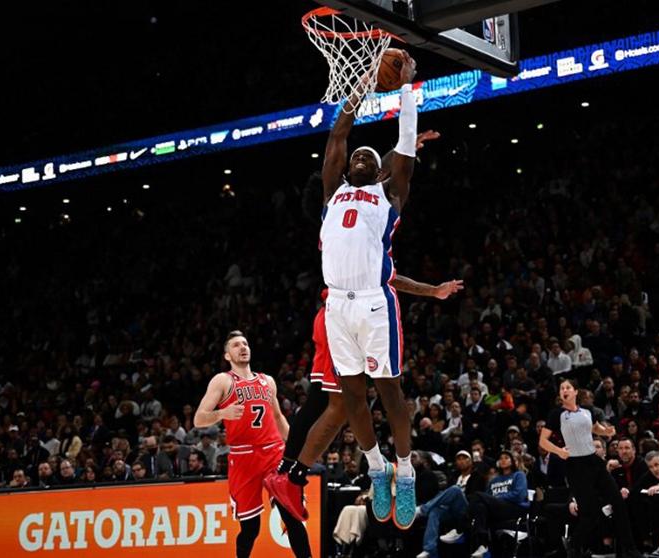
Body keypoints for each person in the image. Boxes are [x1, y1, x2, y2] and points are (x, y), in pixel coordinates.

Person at [316, 48, 419, 530]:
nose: (358, 156)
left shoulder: (388, 194)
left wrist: (405, 89)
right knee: (353, 397)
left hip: (376, 305)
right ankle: (376, 467)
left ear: (379, 170)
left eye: (368, 156)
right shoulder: (332, 192)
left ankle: (406, 468)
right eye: (356, 155)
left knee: (390, 393)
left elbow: (406, 145)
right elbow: (338, 135)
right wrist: (356, 89)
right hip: (336, 305)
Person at [266, 271, 462, 522]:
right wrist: (432, 290)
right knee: (337, 405)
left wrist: (433, 290)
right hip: (338, 316)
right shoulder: (338, 240)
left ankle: (399, 472)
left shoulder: (369, 243)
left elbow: (387, 273)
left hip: (367, 312)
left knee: (368, 397)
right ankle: (368, 470)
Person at [193, 330, 310, 558]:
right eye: (236, 345)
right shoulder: (223, 380)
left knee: (291, 517)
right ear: (228, 355)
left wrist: (300, 450)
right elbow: (199, 418)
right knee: (250, 528)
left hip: (274, 453)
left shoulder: (268, 381)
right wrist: (222, 413)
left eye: (245, 343)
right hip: (244, 457)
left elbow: (278, 419)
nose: (243, 347)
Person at [539, 378, 641, 558]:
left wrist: (607, 432)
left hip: (594, 463)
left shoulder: (587, 412)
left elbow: (596, 429)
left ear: (575, 392)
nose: (565, 390)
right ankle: (574, 543)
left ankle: (630, 550)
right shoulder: (557, 414)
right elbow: (542, 441)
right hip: (575, 466)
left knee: (618, 502)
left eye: (568, 387)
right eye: (562, 388)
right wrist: (559, 451)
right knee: (590, 514)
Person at [415, 450, 486, 558]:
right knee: (435, 511)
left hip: (468, 509)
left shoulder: (478, 477)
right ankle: (430, 550)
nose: (461, 461)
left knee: (455, 490)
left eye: (464, 458)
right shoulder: (453, 477)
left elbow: (477, 496)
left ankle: (422, 510)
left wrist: (458, 497)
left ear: (471, 461)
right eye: (459, 459)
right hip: (452, 510)